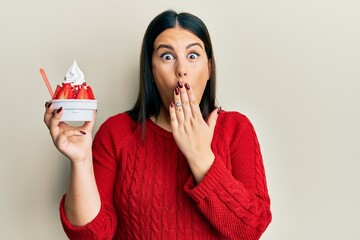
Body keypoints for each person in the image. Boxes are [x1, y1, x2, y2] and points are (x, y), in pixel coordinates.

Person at [44, 10, 272, 240]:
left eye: (193, 55)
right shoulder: (117, 133)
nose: (181, 69)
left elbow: (251, 230)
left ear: (209, 68)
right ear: (151, 71)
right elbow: (92, 236)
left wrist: (201, 157)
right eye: (167, 57)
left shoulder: (236, 129)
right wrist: (81, 161)